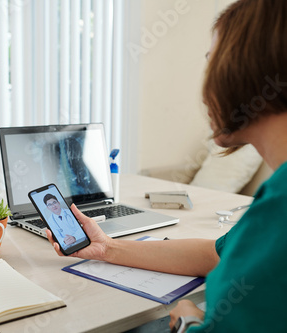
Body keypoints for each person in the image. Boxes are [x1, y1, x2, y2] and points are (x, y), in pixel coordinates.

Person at [46, 1, 287, 332]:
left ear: (246, 70)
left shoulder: (279, 210)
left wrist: (187, 322)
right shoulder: (275, 200)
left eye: (210, 62)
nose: (204, 93)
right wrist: (107, 248)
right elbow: (217, 254)